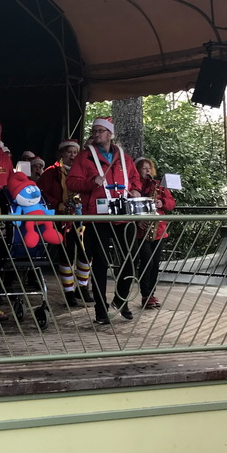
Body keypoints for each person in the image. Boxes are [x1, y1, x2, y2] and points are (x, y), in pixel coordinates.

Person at [66, 117, 141, 325]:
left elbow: (134, 179)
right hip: (97, 216)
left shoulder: (123, 157)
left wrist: (136, 189)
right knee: (100, 262)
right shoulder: (84, 157)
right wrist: (91, 182)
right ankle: (100, 308)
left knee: (130, 258)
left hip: (122, 213)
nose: (97, 134)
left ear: (110, 134)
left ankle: (121, 299)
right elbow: (71, 182)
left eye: (101, 131)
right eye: (95, 130)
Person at [37, 139, 93, 306]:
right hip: (61, 217)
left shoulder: (85, 171)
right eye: (69, 152)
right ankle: (68, 291)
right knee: (66, 253)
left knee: (86, 252)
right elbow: (42, 195)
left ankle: (82, 287)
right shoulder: (50, 173)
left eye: (75, 153)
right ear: (61, 154)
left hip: (83, 216)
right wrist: (59, 205)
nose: (72, 156)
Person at [133, 156, 176, 310]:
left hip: (158, 230)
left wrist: (162, 202)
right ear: (137, 170)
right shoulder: (134, 187)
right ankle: (146, 294)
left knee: (154, 263)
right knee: (146, 262)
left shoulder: (158, 185)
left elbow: (171, 203)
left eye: (149, 168)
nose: (147, 171)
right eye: (144, 168)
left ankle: (150, 294)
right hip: (141, 230)